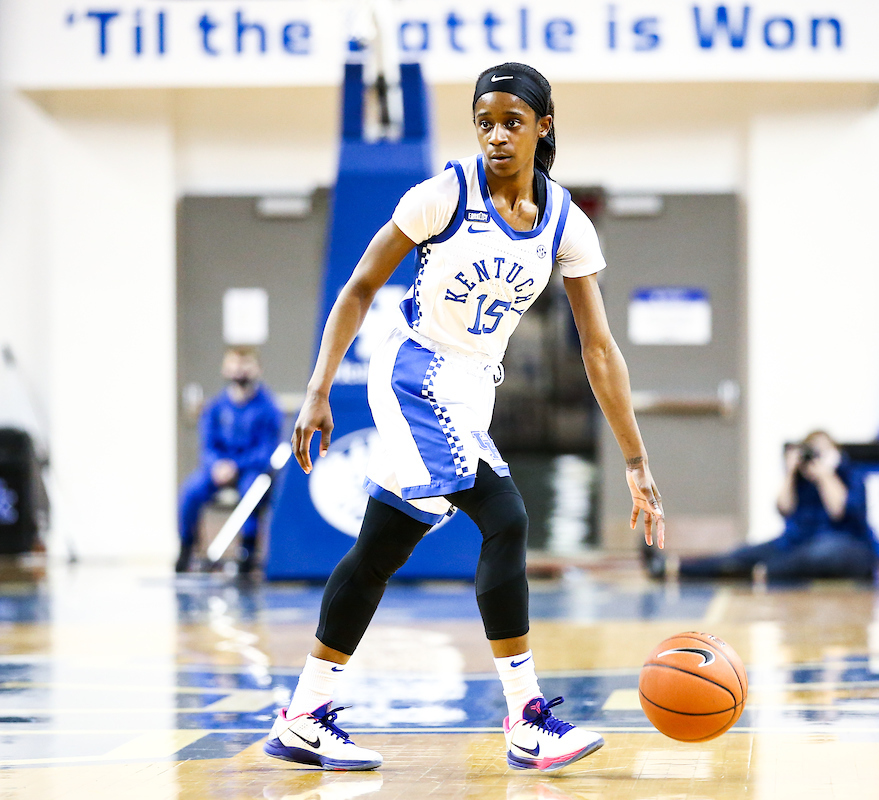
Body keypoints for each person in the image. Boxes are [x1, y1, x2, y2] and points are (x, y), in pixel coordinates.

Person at [263, 62, 666, 773]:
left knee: (379, 551)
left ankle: (302, 716)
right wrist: (318, 387)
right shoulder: (444, 193)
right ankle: (525, 718)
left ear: (544, 126)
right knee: (506, 518)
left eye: (513, 121)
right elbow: (359, 287)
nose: (497, 136)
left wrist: (636, 461)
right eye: (485, 122)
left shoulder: (565, 222)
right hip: (415, 374)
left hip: (473, 387)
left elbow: (599, 350)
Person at [653, 431, 873, 582]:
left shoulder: (848, 474)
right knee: (740, 554)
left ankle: (769, 570)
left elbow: (838, 510)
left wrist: (826, 475)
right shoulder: (800, 480)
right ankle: (673, 566)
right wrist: (790, 472)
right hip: (796, 545)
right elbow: (783, 508)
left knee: (821, 552)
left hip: (847, 546)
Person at [177, 346, 282, 575]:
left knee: (253, 491)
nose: (239, 371)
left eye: (245, 365)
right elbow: (207, 446)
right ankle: (187, 548)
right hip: (217, 469)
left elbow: (266, 450)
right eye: (235, 365)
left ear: (257, 369)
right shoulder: (215, 408)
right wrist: (217, 465)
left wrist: (237, 466)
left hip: (250, 469)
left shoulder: (268, 408)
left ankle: (247, 550)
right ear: (225, 368)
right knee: (191, 491)